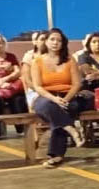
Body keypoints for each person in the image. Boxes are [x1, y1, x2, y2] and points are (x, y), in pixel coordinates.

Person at [31, 28, 86, 168]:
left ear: (63, 43)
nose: (55, 43)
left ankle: (56, 156)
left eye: (59, 40)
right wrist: (55, 99)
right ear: (46, 42)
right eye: (52, 39)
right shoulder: (37, 61)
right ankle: (71, 128)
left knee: (62, 111)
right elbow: (37, 87)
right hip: (47, 96)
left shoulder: (70, 60)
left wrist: (65, 99)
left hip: (68, 96)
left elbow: (77, 84)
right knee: (46, 106)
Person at [21, 30, 48, 110]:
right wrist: (42, 91)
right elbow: (28, 80)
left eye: (47, 39)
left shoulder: (55, 56)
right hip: (35, 91)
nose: (45, 42)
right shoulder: (29, 56)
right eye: (42, 39)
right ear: (36, 42)